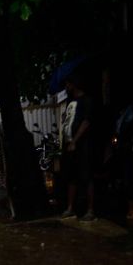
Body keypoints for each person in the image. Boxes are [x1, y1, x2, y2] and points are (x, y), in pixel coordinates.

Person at [60, 72, 97, 220]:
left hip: (83, 146)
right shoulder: (70, 101)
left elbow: (86, 122)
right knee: (71, 177)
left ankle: (90, 210)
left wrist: (75, 140)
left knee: (87, 176)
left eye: (68, 84)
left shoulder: (86, 101)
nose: (66, 87)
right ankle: (70, 208)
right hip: (70, 145)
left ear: (74, 84)